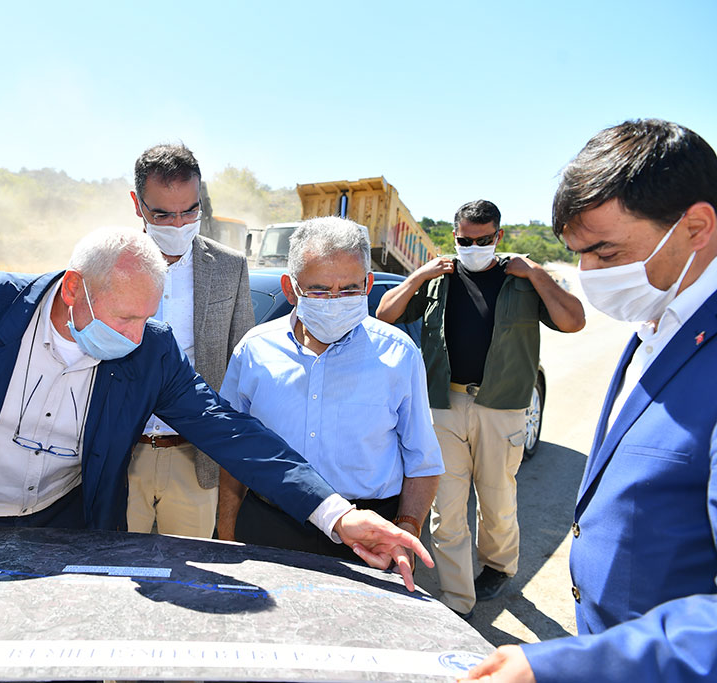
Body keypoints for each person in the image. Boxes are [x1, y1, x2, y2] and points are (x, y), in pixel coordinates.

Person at [0, 227, 434, 590]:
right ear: (73, 287)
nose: (137, 335)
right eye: (124, 317)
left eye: (147, 317)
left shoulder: (149, 351)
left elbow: (230, 432)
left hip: (62, 532)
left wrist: (337, 515)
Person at [462, 120, 717, 683]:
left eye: (605, 251)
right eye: (578, 254)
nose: (589, 274)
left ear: (696, 227)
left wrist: (568, 667)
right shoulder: (656, 324)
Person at [376, 200, 585, 617]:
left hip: (501, 406)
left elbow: (573, 320)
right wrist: (419, 275)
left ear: (498, 236)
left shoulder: (520, 281)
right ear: (454, 237)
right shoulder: (440, 279)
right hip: (444, 405)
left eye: (483, 240)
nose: (473, 247)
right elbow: (384, 315)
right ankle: (458, 601)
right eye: (465, 240)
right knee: (447, 508)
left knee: (497, 501)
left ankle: (498, 566)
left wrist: (536, 272)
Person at [217, 217, 443, 567]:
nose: (335, 301)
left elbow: (422, 460)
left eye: (349, 290)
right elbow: (234, 449)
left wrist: (407, 529)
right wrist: (227, 531)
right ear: (290, 288)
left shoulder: (399, 354)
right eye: (320, 291)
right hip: (270, 524)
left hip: (369, 533)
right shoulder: (254, 350)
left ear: (368, 284)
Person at [126, 144, 254, 538]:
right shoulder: (109, 263)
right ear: (137, 204)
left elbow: (241, 373)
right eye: (163, 214)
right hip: (120, 457)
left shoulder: (230, 268)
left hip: (195, 460)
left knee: (188, 572)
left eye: (189, 211)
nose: (179, 224)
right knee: (112, 570)